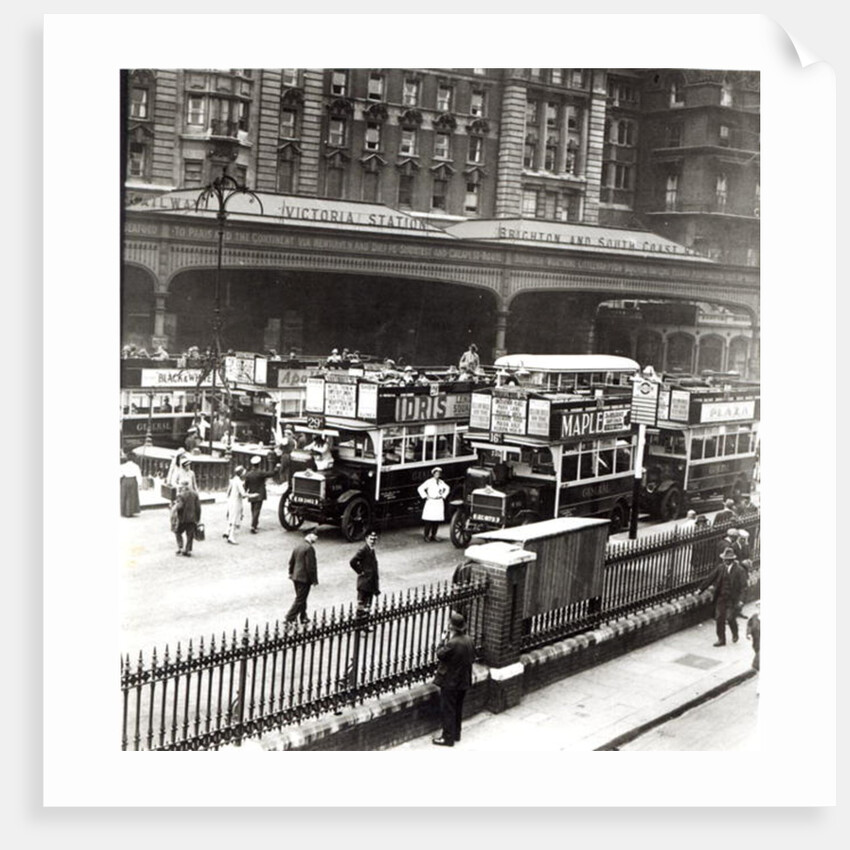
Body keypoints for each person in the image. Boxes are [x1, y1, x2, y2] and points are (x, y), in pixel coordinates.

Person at [431, 611, 475, 747]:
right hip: (463, 681)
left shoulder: (453, 643)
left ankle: (447, 738)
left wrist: (442, 640)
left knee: (448, 709)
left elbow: (440, 654)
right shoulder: (469, 640)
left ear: (452, 627)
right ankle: (456, 733)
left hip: (451, 682)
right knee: (458, 708)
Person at [699, 546, 748, 647]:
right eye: (725, 559)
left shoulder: (739, 570)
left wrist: (741, 601)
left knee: (730, 618)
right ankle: (721, 639)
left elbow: (744, 587)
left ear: (732, 560)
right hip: (721, 597)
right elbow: (710, 578)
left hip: (732, 599)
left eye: (728, 560)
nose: (726, 561)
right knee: (719, 618)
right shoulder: (720, 568)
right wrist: (701, 589)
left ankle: (735, 633)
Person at [285, 531, 319, 629]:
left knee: (301, 598)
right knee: (300, 599)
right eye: (315, 537)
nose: (316, 539)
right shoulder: (309, 549)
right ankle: (289, 618)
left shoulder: (298, 546)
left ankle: (303, 616)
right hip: (304, 579)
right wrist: (314, 580)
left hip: (296, 577)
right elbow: (311, 566)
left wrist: (291, 573)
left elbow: (291, 562)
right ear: (310, 536)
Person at [350, 531, 380, 620]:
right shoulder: (363, 550)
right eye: (371, 539)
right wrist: (360, 571)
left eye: (374, 539)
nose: (373, 541)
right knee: (361, 606)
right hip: (364, 584)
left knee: (367, 607)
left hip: (370, 583)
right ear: (366, 539)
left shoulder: (371, 550)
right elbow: (352, 562)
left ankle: (364, 625)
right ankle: (359, 625)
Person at [245, 455, 279, 533]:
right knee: (257, 510)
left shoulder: (248, 474)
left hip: (251, 493)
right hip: (260, 494)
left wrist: (244, 493)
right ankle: (253, 526)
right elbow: (271, 474)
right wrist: (276, 468)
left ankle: (254, 524)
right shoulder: (260, 473)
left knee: (253, 509)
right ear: (258, 464)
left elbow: (246, 485)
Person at [417, 467, 450, 542]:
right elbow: (420, 488)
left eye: (439, 473)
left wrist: (444, 496)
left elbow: (447, 488)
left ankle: (434, 535)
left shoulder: (441, 482)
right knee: (429, 520)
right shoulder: (429, 482)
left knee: (437, 520)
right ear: (433, 474)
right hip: (431, 501)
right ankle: (426, 536)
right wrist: (425, 496)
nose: (437, 475)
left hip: (439, 501)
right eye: (436, 473)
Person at [173, 481, 201, 557]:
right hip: (192, 518)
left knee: (178, 531)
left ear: (183, 487)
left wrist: (174, 505)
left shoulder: (181, 495)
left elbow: (180, 507)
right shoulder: (195, 494)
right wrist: (198, 518)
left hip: (183, 519)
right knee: (190, 535)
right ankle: (187, 550)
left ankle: (180, 547)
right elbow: (198, 507)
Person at [224, 465, 247, 544]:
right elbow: (243, 494)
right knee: (234, 519)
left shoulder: (233, 480)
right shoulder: (239, 482)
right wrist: (251, 495)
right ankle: (231, 537)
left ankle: (227, 531)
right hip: (236, 502)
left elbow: (228, 492)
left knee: (231, 517)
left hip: (231, 500)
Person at [120, 451, 142, 517]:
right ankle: (130, 512)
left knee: (124, 495)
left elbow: (120, 475)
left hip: (125, 480)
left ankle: (124, 511)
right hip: (133, 481)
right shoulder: (136, 466)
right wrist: (139, 484)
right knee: (131, 496)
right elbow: (138, 475)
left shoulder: (122, 466)